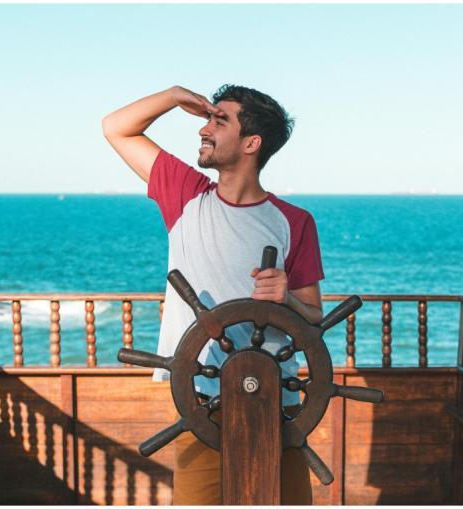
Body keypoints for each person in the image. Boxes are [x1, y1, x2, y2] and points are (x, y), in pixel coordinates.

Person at [102, 84, 325, 505]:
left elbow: (313, 317)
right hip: (202, 401)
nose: (204, 129)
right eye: (207, 118)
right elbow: (116, 128)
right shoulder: (186, 193)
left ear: (251, 143)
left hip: (279, 405)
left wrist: (289, 299)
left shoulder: (294, 222)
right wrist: (172, 97)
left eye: (219, 120)